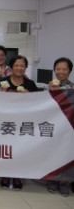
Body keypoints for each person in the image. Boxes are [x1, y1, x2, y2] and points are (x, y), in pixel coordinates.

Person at [0, 55, 38, 190]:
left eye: (22, 66)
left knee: (19, 149)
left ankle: (17, 175)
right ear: (11, 67)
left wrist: (29, 98)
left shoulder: (30, 84)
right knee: (6, 148)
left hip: (23, 123)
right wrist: (0, 94)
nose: (19, 68)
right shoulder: (2, 82)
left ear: (26, 68)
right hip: (5, 123)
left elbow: (38, 105)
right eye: (16, 65)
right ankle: (5, 174)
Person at [46, 57, 73, 196]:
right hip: (52, 126)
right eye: (58, 69)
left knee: (67, 154)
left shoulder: (73, 88)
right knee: (53, 153)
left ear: (69, 71)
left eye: (64, 69)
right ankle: (52, 180)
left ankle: (64, 183)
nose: (60, 72)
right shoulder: (48, 86)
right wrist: (52, 92)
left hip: (68, 127)